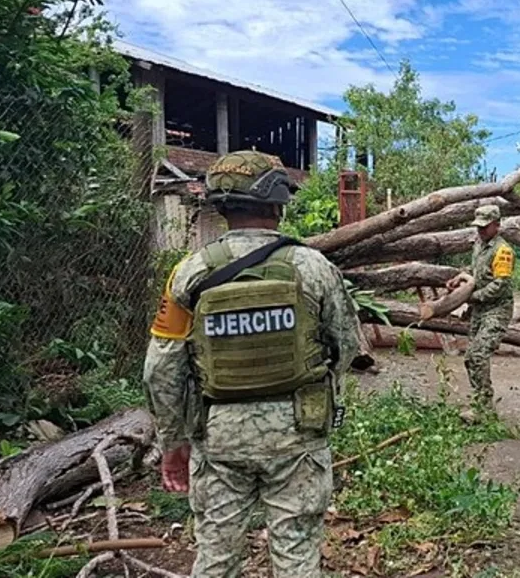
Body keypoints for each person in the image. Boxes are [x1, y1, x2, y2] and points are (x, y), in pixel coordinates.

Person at [144, 150, 359, 577]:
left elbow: (160, 370)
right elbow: (347, 346)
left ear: (221, 207)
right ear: (278, 204)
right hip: (297, 434)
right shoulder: (312, 267)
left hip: (218, 436)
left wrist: (172, 443)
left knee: (215, 557)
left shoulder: (189, 272)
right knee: (296, 556)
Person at [449, 204, 515, 420]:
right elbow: (476, 272)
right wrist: (460, 278)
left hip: (497, 310)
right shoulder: (479, 244)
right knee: (470, 358)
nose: (480, 231)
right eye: (478, 227)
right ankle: (480, 402)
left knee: (478, 355)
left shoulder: (503, 251)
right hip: (479, 311)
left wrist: (471, 297)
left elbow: (500, 285)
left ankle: (484, 409)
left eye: (484, 227)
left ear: (497, 225)